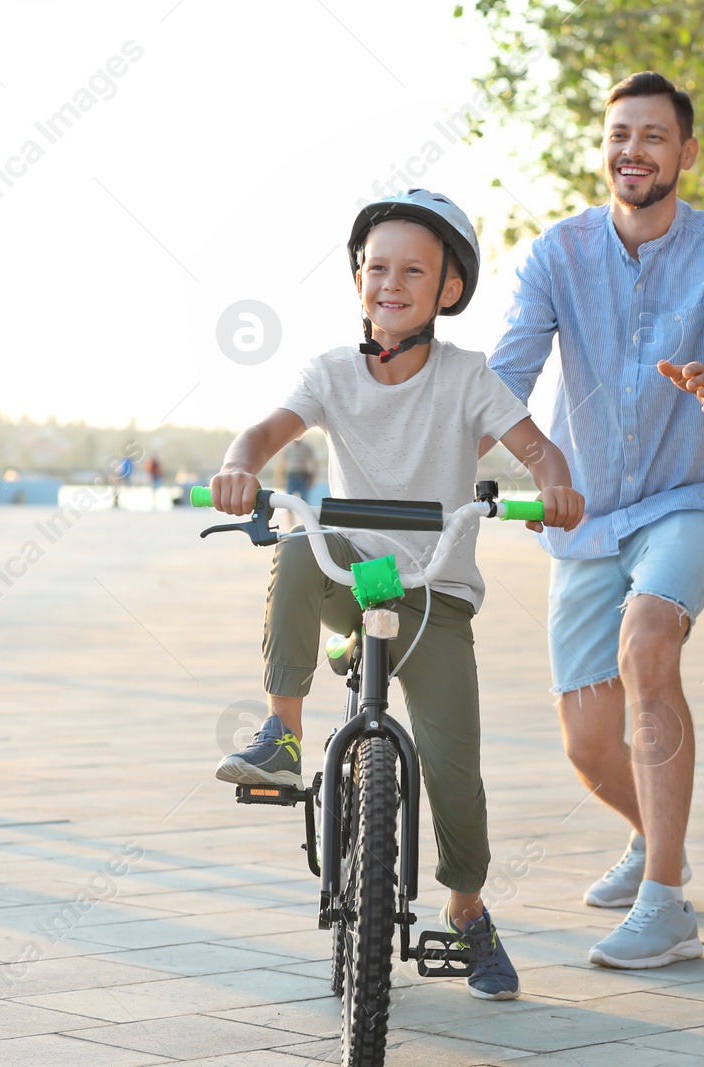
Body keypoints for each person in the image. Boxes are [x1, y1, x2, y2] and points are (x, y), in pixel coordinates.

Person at [209, 189, 585, 1001]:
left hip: (434, 591)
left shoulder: (466, 378)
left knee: (455, 773)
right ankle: (281, 732)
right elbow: (264, 434)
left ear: (448, 290)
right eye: (376, 266)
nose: (391, 281)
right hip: (362, 574)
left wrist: (554, 485)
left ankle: (468, 909)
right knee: (302, 539)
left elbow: (539, 450)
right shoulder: (332, 372)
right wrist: (241, 466)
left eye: (414, 269)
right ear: (356, 280)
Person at [489, 72, 704, 970]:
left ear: (686, 153)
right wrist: (543, 463)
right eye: (620, 134)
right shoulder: (556, 254)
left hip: (690, 494)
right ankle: (658, 840)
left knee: (648, 645)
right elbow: (503, 378)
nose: (634, 151)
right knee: (585, 743)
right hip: (584, 514)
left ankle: (665, 900)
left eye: (654, 136)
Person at [283, 435, 317, 502]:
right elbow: (283, 464)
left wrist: (312, 477)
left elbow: (312, 463)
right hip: (292, 476)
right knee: (289, 499)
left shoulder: (306, 447)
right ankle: (289, 512)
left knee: (304, 499)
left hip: (303, 477)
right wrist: (282, 478)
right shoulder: (288, 449)